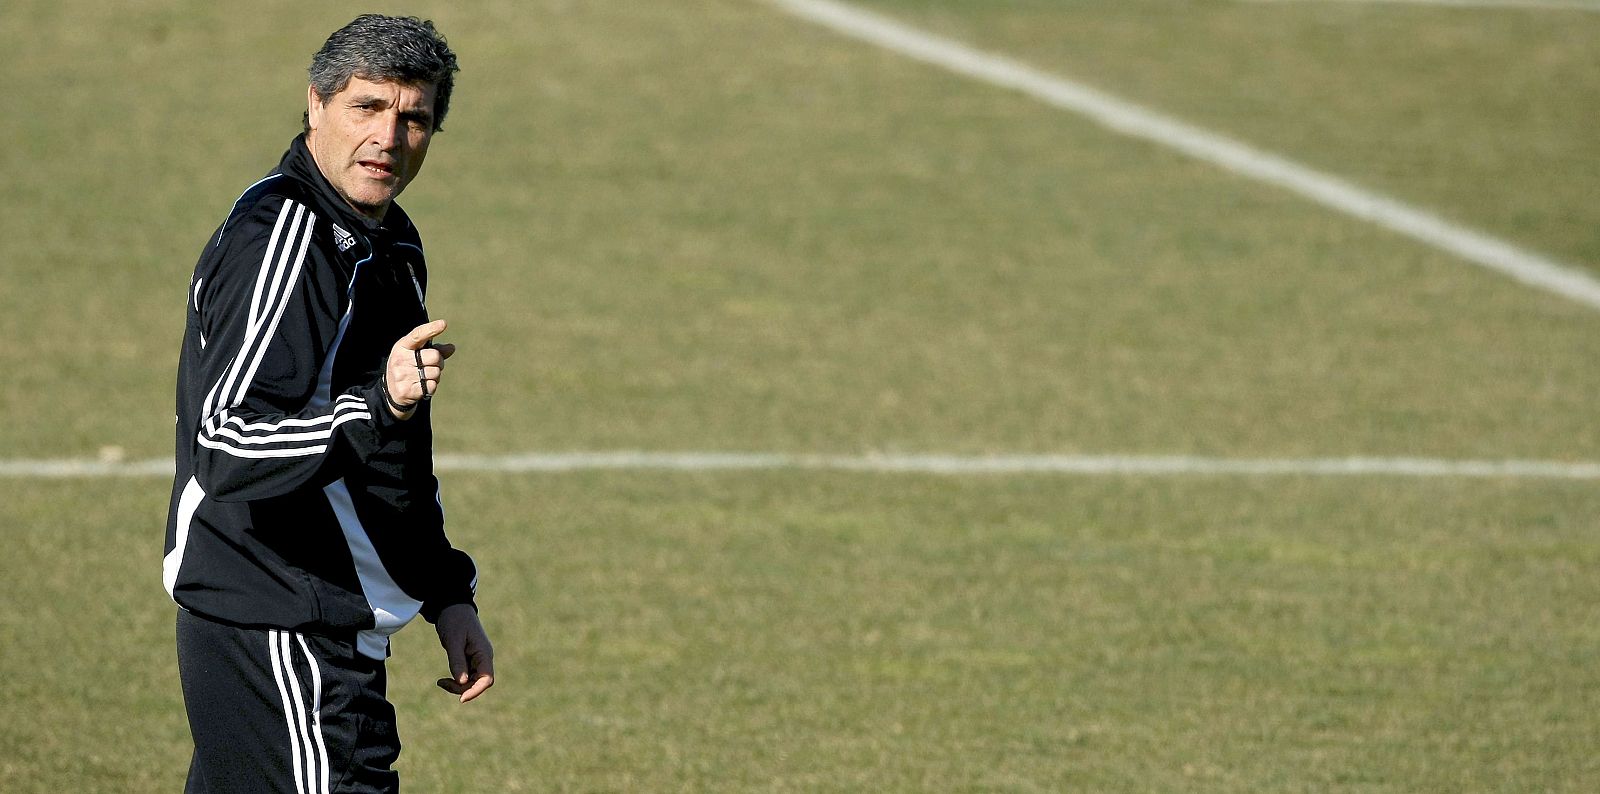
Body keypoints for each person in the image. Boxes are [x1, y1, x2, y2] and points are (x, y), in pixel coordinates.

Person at [163, 15, 494, 792]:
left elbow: (394, 457)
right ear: (315, 103)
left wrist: (444, 588)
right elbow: (228, 444)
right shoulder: (283, 237)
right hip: (280, 623)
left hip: (306, 623)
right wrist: (376, 404)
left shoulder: (389, 243)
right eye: (367, 107)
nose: (389, 136)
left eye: (414, 117)